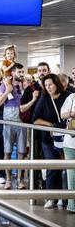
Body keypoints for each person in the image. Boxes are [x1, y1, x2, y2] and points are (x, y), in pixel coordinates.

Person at [33, 74, 70, 209]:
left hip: (67, 140)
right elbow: (35, 119)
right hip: (48, 140)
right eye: (46, 85)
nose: (48, 87)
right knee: (52, 167)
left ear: (57, 84)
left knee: (67, 169)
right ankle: (51, 197)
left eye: (51, 84)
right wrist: (51, 126)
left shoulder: (68, 96)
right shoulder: (44, 98)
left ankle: (65, 198)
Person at [20, 62, 50, 189]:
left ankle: (49, 182)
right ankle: (37, 182)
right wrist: (33, 99)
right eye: (40, 70)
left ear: (49, 71)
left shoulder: (52, 87)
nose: (42, 72)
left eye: (44, 70)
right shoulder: (30, 89)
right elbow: (21, 108)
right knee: (36, 154)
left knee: (49, 156)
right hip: (35, 128)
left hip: (51, 129)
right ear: (37, 73)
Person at [0, 63, 26, 190]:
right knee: (7, 152)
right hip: (8, 122)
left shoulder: (25, 86)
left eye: (22, 72)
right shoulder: (4, 85)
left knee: (22, 152)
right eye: (19, 72)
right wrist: (7, 91)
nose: (21, 74)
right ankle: (8, 179)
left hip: (22, 123)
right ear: (12, 73)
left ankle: (20, 179)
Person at [61, 93, 75, 213]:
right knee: (72, 176)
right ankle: (72, 206)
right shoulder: (72, 97)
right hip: (70, 143)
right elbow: (62, 114)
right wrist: (72, 113)